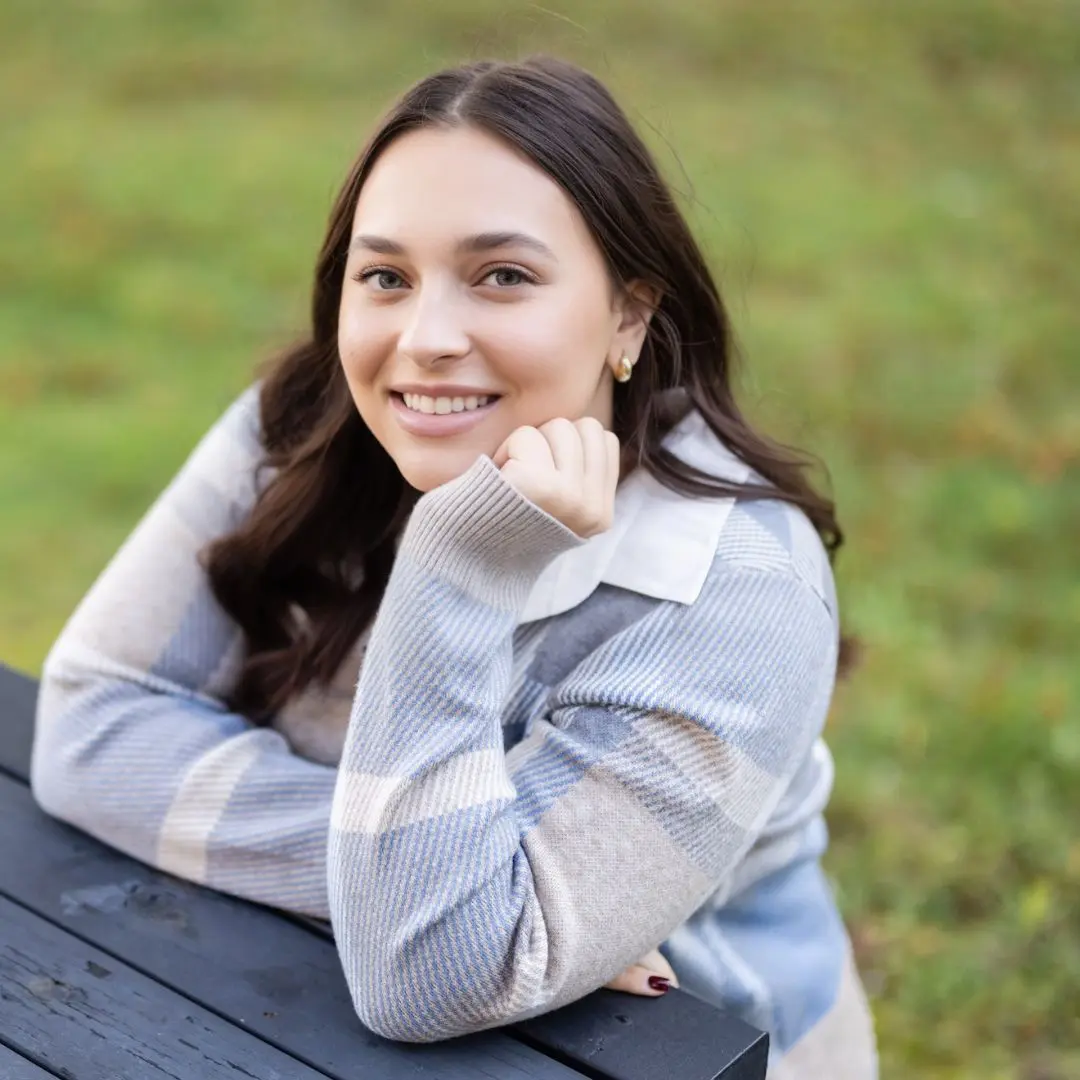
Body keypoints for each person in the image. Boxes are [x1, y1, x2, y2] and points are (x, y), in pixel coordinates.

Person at [30, 55, 877, 1076]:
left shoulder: (738, 590)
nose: (425, 340)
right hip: (278, 1002)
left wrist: (457, 573)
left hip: (679, 1051)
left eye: (503, 276)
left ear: (629, 315)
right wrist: (428, 874)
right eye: (385, 276)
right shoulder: (305, 420)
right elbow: (90, 720)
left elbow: (432, 973)